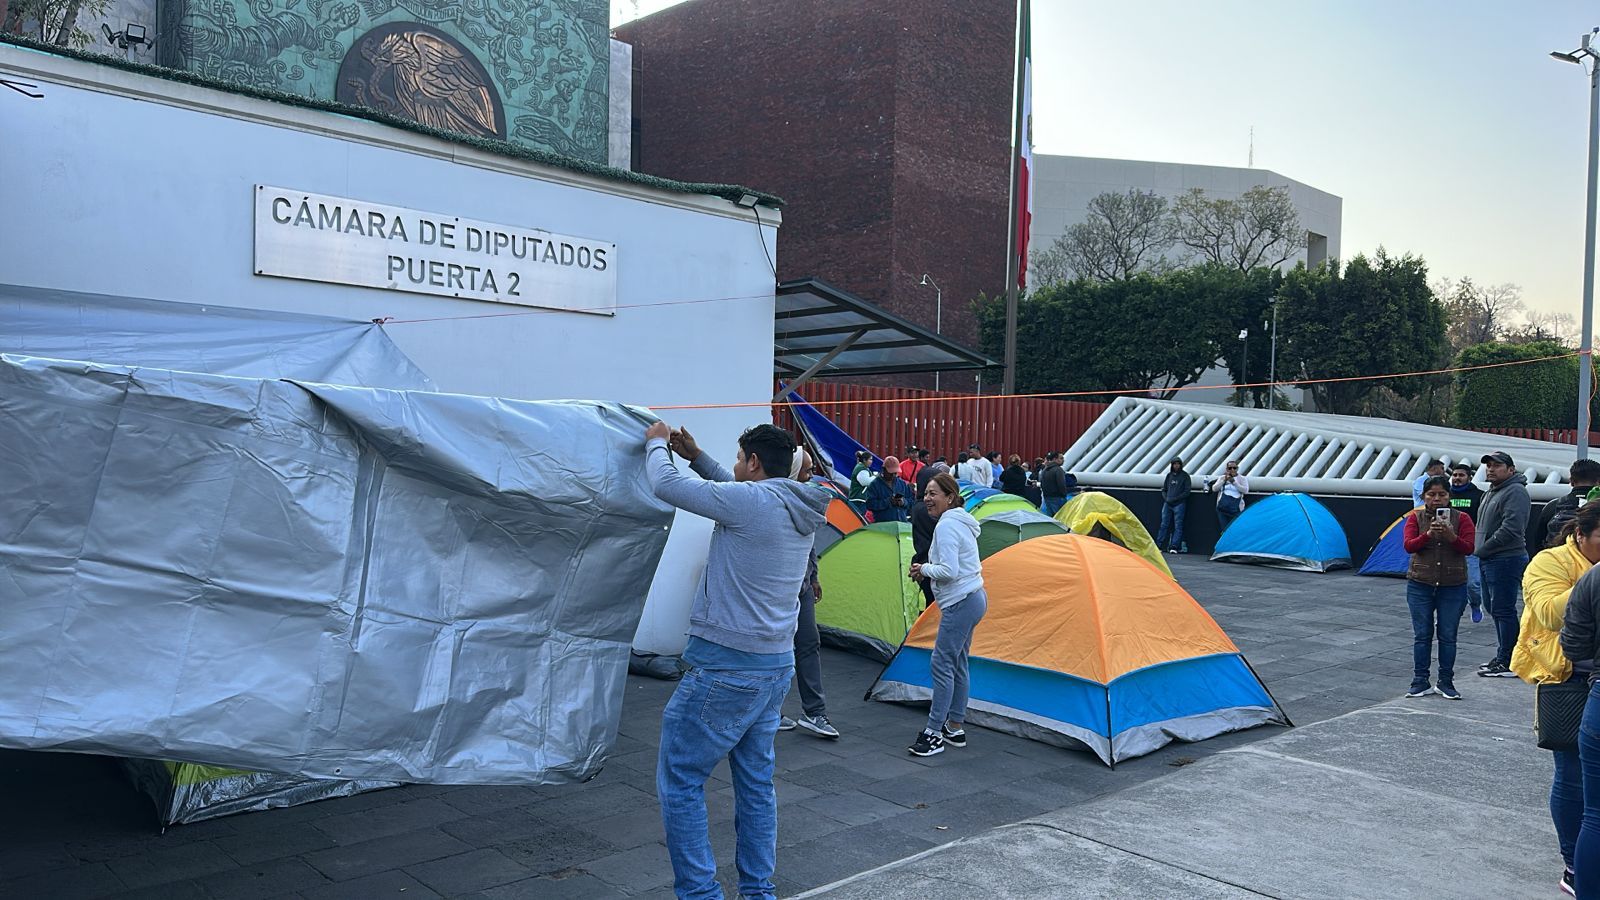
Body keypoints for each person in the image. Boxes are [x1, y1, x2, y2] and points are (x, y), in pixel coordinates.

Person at [645, 422, 828, 900]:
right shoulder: (797, 505)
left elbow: (666, 485)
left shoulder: (751, 503)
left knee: (681, 780)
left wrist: (656, 443)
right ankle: (757, 891)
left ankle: (701, 894)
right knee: (755, 784)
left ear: (752, 462)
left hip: (726, 669)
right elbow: (729, 489)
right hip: (773, 668)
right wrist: (697, 455)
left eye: (739, 457)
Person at [1515, 503, 1600, 897]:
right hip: (1568, 677)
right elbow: (1548, 613)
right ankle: (1572, 864)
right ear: (1580, 535)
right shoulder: (1549, 562)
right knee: (1573, 775)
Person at [907, 473, 987, 757]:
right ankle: (954, 727)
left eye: (933, 494)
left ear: (950, 497)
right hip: (974, 597)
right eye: (925, 494)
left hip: (961, 602)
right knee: (958, 663)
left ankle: (934, 732)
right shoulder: (960, 521)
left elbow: (949, 571)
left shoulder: (947, 526)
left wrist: (923, 569)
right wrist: (929, 567)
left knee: (942, 664)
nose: (927, 499)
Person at [777, 450, 840, 741]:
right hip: (779, 589)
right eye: (806, 471)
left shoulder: (806, 502)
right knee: (776, 649)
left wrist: (814, 577)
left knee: (808, 643)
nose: (810, 476)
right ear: (791, 473)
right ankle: (769, 711)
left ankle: (815, 712)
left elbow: (808, 544)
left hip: (801, 588)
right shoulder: (776, 503)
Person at [1401, 475, 1476, 699]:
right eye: (1431, 495)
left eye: (1442, 494)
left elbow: (1469, 548)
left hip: (1452, 585)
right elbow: (1408, 546)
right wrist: (1429, 535)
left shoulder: (1462, 518)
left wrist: (1451, 536)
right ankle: (1420, 680)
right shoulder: (1415, 518)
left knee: (1448, 634)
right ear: (1423, 496)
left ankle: (1446, 681)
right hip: (1420, 583)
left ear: (1449, 496)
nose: (1437, 499)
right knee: (1422, 634)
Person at [1477, 451, 1532, 678]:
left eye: (1497, 465)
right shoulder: (1492, 491)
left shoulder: (1515, 491)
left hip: (1505, 558)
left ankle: (1509, 660)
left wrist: (1485, 548)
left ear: (1510, 469)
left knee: (1503, 609)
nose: (1490, 469)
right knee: (1494, 608)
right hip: (1489, 557)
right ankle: (1505, 655)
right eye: (1488, 465)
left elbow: (1511, 529)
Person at [1534, 460, 1600, 555]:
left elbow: (1538, 541)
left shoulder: (1553, 506)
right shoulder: (1597, 506)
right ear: (1599, 481)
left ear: (1571, 481)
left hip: (1557, 561)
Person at [1450, 462, 1488, 624]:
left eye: (1461, 475)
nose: (1457, 478)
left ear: (1469, 477)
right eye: (1455, 475)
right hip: (1449, 545)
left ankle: (1475, 604)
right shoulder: (1446, 494)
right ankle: (1449, 614)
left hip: (1470, 545)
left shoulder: (1480, 495)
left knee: (1473, 583)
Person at [1156, 457, 1191, 554]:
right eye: (1174, 464)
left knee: (1178, 526)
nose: (1176, 466)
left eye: (1178, 464)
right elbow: (1164, 489)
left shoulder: (1185, 476)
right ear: (1172, 465)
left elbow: (1187, 491)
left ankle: (1174, 546)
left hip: (1179, 504)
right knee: (1163, 525)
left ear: (1181, 465)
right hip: (1168, 503)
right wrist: (1166, 498)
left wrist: (1175, 499)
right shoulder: (1169, 475)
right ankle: (1159, 545)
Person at [864, 455, 914, 523]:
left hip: (902, 524)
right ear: (883, 469)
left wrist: (903, 502)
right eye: (891, 473)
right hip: (883, 526)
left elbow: (911, 502)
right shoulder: (874, 485)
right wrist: (888, 502)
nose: (893, 476)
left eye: (895, 473)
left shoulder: (902, 484)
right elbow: (870, 505)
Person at [1207, 461, 1250, 532]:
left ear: (1237, 469)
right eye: (1230, 468)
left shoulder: (1242, 478)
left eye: (1234, 468)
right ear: (1227, 469)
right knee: (1224, 530)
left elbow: (1245, 490)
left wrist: (1234, 482)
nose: (1232, 470)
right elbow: (1214, 488)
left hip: (1236, 509)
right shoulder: (1222, 477)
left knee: (1235, 529)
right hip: (1222, 507)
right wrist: (1223, 480)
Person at [1040, 452, 1070, 516]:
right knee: (1060, 517)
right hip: (1058, 498)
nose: (1063, 460)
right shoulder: (1058, 470)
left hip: (1047, 497)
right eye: (1061, 458)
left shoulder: (1045, 469)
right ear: (1054, 459)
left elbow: (1042, 483)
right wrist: (1064, 494)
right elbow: (1061, 484)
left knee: (1051, 518)